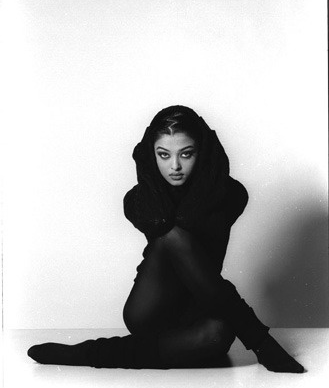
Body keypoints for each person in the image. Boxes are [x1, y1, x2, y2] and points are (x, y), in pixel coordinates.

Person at [27, 105, 305, 373]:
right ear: (151, 156)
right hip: (151, 308)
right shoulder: (138, 200)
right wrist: (147, 171)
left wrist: (206, 176)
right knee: (173, 236)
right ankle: (261, 342)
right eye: (163, 155)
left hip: (201, 308)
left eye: (186, 154)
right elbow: (165, 221)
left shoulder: (231, 194)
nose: (174, 166)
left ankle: (84, 353)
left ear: (204, 152)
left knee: (218, 335)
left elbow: (197, 215)